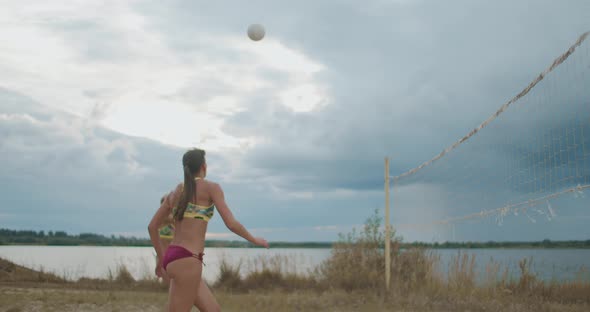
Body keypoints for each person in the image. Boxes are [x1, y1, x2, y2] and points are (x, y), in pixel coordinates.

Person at [148, 148, 269, 312]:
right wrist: (254, 239)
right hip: (189, 260)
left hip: (174, 257)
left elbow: (152, 226)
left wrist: (162, 261)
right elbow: (231, 223)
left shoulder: (176, 191)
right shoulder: (212, 188)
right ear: (204, 167)